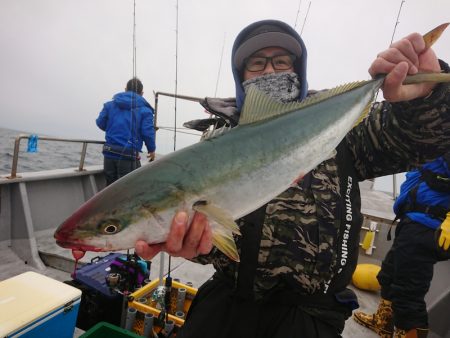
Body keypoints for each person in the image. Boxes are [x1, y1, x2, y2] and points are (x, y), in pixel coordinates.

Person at [135, 19, 450, 338]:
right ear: (240, 75)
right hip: (230, 298)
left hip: (310, 315)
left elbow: (424, 137)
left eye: (282, 61)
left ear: (299, 70)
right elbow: (217, 236)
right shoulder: (217, 144)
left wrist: (430, 96)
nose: (270, 71)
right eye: (257, 63)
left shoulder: (344, 128)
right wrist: (194, 243)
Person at [353, 154, 450, 338]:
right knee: (389, 275)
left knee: (408, 295)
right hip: (412, 221)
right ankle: (383, 323)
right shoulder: (434, 139)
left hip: (427, 227)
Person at [96, 77, 156, 186]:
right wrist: (151, 149)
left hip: (109, 153)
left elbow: (100, 122)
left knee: (110, 187)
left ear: (125, 89)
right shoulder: (146, 111)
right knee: (127, 191)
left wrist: (113, 129)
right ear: (142, 93)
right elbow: (147, 132)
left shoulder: (109, 105)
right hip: (128, 156)